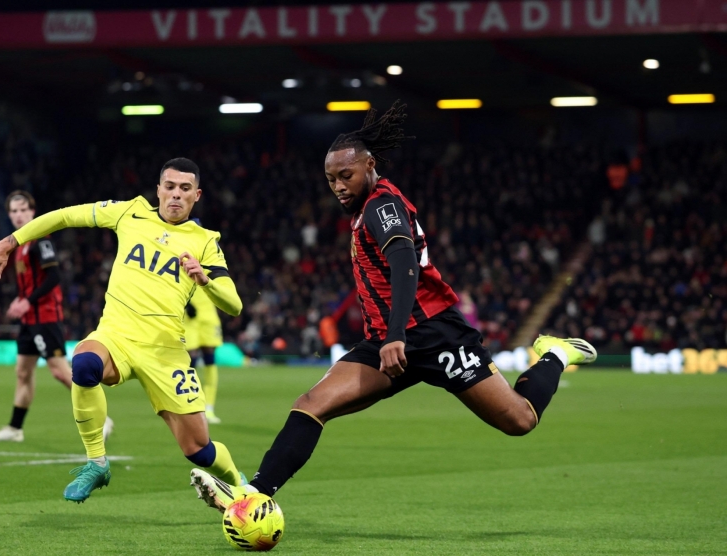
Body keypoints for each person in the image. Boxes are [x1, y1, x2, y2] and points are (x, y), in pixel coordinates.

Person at [188, 102, 597, 510]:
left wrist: (397, 335)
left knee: (519, 420)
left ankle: (555, 354)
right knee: (312, 405)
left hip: (435, 335)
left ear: (369, 166)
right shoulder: (367, 207)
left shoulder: (382, 206)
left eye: (346, 175)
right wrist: (390, 337)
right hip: (387, 340)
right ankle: (252, 498)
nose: (338, 186)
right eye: (331, 179)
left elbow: (404, 264)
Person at [0, 158, 246, 503]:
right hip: (116, 335)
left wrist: (204, 279)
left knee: (198, 450)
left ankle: (240, 482)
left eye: (185, 189)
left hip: (165, 352)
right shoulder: (128, 212)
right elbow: (63, 216)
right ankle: (97, 462)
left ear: (197, 195)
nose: (176, 194)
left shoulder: (205, 241)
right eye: (170, 186)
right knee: (84, 364)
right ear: (158, 189)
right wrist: (10, 242)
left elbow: (234, 304)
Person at [0, 191, 114, 443]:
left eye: (23, 210)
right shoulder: (20, 245)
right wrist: (21, 300)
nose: (19, 215)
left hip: (45, 316)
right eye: (14, 211)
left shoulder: (41, 239)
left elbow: (54, 277)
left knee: (60, 372)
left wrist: (26, 301)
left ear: (33, 212)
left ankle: (103, 418)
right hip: (29, 319)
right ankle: (15, 429)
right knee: (23, 371)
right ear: (9, 215)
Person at [184, 275, 225, 424]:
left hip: (208, 314)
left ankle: (209, 408)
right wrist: (187, 303)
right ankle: (190, 406)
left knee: (210, 359)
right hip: (190, 317)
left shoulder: (210, 254)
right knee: (190, 360)